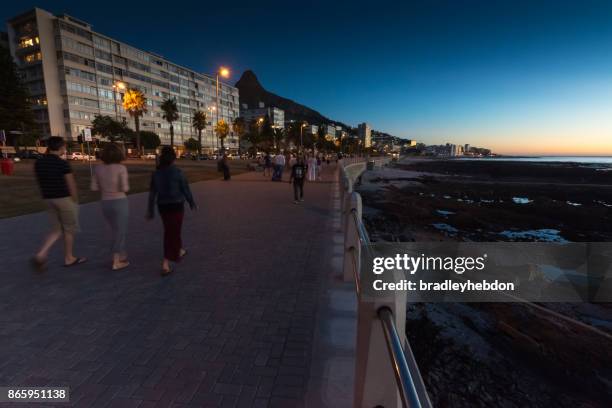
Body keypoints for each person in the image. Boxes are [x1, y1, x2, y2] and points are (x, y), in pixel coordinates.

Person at [31, 136, 86, 271]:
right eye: (64, 147)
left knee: (56, 230)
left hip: (48, 199)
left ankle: (41, 254)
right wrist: (75, 201)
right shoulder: (62, 164)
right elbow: (71, 184)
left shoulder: (39, 163)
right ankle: (69, 258)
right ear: (61, 148)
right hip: (64, 199)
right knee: (69, 229)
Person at [147, 146, 197, 276]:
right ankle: (165, 263)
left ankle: (179, 249)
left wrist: (150, 209)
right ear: (173, 158)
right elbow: (185, 189)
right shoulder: (177, 172)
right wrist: (191, 202)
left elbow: (152, 193)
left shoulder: (156, 174)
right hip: (176, 205)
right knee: (171, 232)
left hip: (163, 206)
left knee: (173, 229)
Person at [91, 143, 130, 271]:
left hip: (105, 202)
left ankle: (122, 254)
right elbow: (125, 188)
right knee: (120, 231)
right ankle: (116, 260)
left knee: (115, 229)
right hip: (119, 201)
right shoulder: (120, 168)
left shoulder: (98, 168)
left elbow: (94, 187)